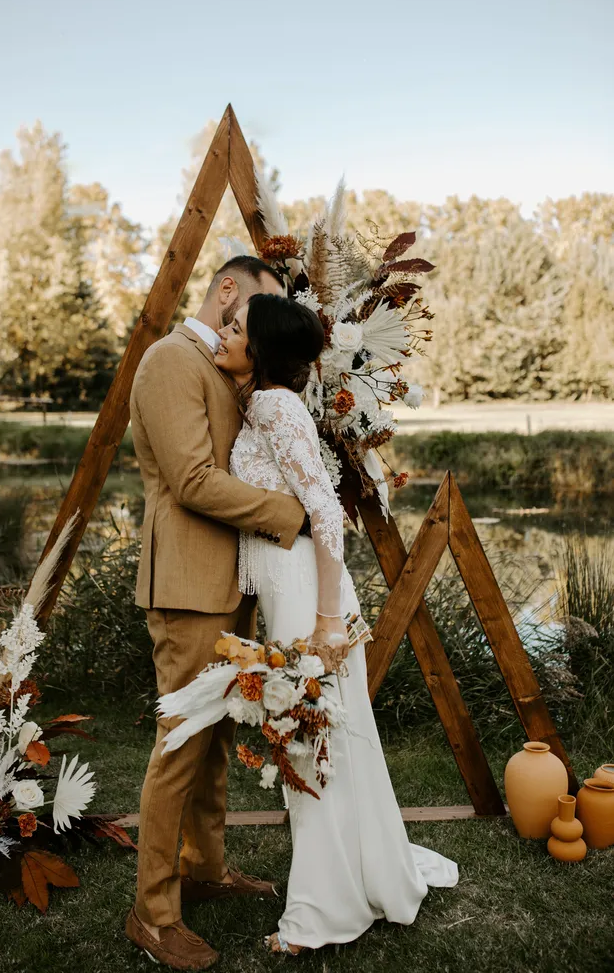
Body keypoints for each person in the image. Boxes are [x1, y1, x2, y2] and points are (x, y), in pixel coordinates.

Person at [215, 292, 459, 955]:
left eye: (236, 327)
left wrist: (325, 620)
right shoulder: (265, 403)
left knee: (309, 748)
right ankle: (360, 878)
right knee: (331, 746)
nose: (225, 331)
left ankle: (320, 916)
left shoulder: (272, 404)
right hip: (288, 591)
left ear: (261, 350)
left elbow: (323, 512)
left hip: (305, 597)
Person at [125, 258, 308, 970]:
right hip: (188, 585)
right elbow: (195, 480)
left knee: (218, 737)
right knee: (180, 745)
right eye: (256, 307)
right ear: (228, 288)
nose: (257, 330)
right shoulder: (170, 360)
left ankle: (205, 870)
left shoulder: (228, 369)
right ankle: (153, 912)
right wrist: (291, 514)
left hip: (230, 583)